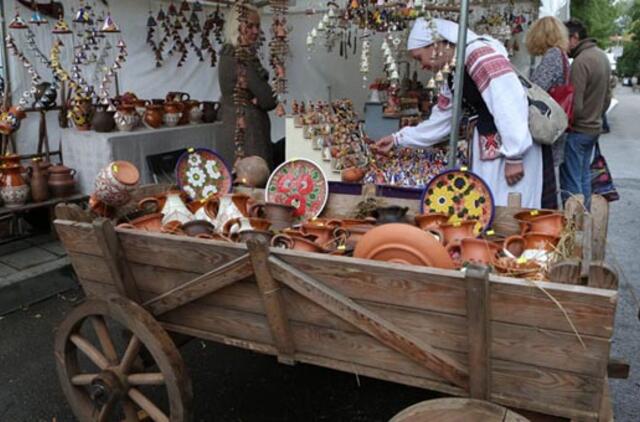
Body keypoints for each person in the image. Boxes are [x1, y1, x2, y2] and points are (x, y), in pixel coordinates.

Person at [374, 18, 542, 208]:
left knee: (510, 208)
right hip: (493, 147)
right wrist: (398, 139)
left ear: (435, 45)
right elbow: (443, 119)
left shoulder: (478, 55)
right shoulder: (454, 70)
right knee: (490, 206)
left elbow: (508, 102)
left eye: (420, 57)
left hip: (509, 151)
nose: (422, 66)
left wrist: (514, 155)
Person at [560, 19, 611, 207]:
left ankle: (575, 224)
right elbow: (607, 98)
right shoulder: (601, 56)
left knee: (572, 181)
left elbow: (576, 105)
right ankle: (586, 221)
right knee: (583, 178)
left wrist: (567, 122)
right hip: (593, 128)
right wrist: (596, 116)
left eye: (565, 38)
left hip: (579, 130)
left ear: (575, 37)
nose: (564, 44)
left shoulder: (581, 62)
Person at [218, 5, 277, 168]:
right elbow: (268, 100)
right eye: (249, 25)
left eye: (257, 26)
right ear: (236, 26)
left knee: (238, 185)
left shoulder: (227, 55)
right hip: (248, 135)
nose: (255, 31)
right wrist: (259, 97)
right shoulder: (241, 57)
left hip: (233, 128)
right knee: (252, 184)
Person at [525, 16, 571, 209]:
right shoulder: (560, 55)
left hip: (547, 122)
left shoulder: (552, 56)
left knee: (546, 175)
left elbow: (537, 89)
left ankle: (546, 216)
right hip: (556, 120)